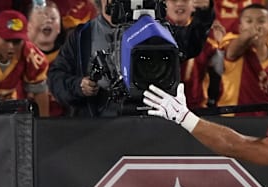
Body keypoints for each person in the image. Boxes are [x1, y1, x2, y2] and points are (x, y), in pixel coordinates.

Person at [48, 0, 213, 117]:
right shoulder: (82, 36)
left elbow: (191, 43)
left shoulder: (158, 30)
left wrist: (204, 13)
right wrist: (78, 86)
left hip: (154, 128)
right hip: (97, 130)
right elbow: (55, 78)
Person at [218, 4, 268, 115]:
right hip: (230, 118)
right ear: (240, 27)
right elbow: (231, 53)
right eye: (249, 21)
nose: (255, 26)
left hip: (262, 124)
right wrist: (250, 34)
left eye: (261, 21)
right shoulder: (231, 41)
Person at [28, 1, 65, 117]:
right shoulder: (21, 57)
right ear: (28, 25)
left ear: (59, 27)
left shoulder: (69, 57)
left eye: (53, 18)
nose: (48, 20)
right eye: (41, 17)